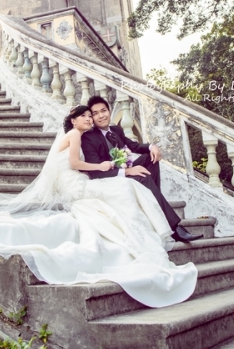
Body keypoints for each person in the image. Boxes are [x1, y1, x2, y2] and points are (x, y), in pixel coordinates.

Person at [0, 105, 197, 308]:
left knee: (129, 184)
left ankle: (158, 221)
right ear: (74, 120)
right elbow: (75, 163)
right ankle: (155, 228)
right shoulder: (76, 135)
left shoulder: (78, 135)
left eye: (92, 115)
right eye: (86, 116)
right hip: (76, 185)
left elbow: (86, 159)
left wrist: (116, 165)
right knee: (126, 187)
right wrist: (103, 167)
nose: (90, 119)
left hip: (75, 183)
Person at [82, 96, 203, 243]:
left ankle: (154, 202)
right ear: (92, 118)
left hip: (124, 170)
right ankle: (175, 228)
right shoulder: (88, 138)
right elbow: (95, 172)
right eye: (95, 113)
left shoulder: (115, 130)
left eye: (103, 111)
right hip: (110, 177)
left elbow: (133, 146)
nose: (101, 116)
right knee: (143, 176)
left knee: (150, 158)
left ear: (109, 111)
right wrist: (126, 172)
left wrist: (152, 146)